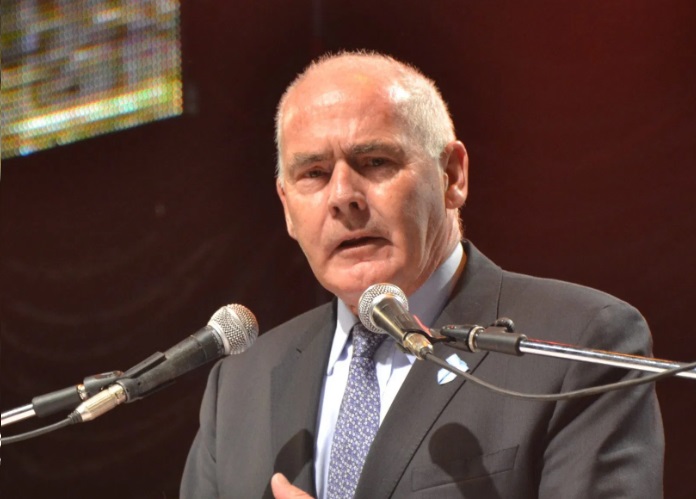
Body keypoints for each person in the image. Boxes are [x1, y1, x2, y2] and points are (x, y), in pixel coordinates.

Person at [181, 51, 664, 498]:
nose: (343, 196)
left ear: (452, 176)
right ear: (287, 207)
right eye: (314, 174)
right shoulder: (240, 384)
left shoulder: (579, 343)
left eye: (375, 162)